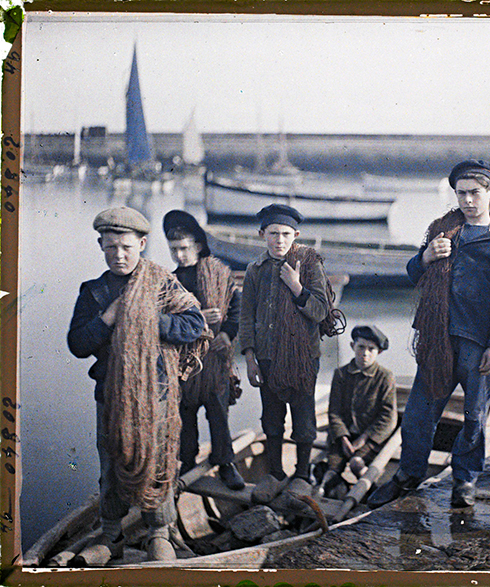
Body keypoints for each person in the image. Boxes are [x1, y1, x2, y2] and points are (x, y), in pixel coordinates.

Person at [367, 160, 490, 509]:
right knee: (417, 415)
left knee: (474, 416)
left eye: (475, 193)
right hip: (437, 340)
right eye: (462, 194)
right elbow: (413, 274)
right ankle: (408, 475)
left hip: (476, 345)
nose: (468, 201)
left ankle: (465, 479)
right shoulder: (444, 233)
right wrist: (425, 256)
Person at [67, 207, 207, 564]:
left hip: (156, 395)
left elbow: (194, 324)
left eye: (127, 246)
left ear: (142, 244)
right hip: (111, 397)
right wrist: (110, 316)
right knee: (112, 463)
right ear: (100, 245)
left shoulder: (161, 283)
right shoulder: (94, 292)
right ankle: (111, 537)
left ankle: (159, 533)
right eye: (111, 246)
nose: (119, 255)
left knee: (158, 461)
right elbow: (78, 344)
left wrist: (147, 318)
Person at [239, 203, 331, 503]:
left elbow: (319, 311)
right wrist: (250, 357)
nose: (280, 240)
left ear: (296, 235)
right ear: (262, 234)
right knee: (272, 417)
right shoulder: (255, 270)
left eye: (286, 234)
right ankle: (275, 472)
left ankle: (302, 475)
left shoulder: (310, 264)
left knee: (304, 418)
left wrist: (296, 286)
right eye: (274, 233)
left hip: (302, 358)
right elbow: (246, 316)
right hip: (266, 357)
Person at [163, 210, 245, 491]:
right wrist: (198, 317)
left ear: (197, 245)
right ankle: (186, 463)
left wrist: (225, 332)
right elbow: (167, 318)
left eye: (184, 248)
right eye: (174, 250)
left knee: (218, 413)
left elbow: (237, 311)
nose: (179, 255)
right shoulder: (169, 282)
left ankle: (225, 463)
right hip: (185, 362)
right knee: (184, 417)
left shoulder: (220, 275)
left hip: (215, 360)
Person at [314, 325, 398, 498]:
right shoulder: (341, 374)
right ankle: (328, 491)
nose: (365, 353)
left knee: (357, 464)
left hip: (371, 437)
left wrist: (364, 438)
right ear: (353, 346)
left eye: (371, 349)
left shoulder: (385, 377)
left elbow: (388, 417)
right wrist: (343, 437)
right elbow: (334, 412)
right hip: (342, 437)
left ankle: (373, 494)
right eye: (361, 347)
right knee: (332, 468)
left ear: (379, 352)